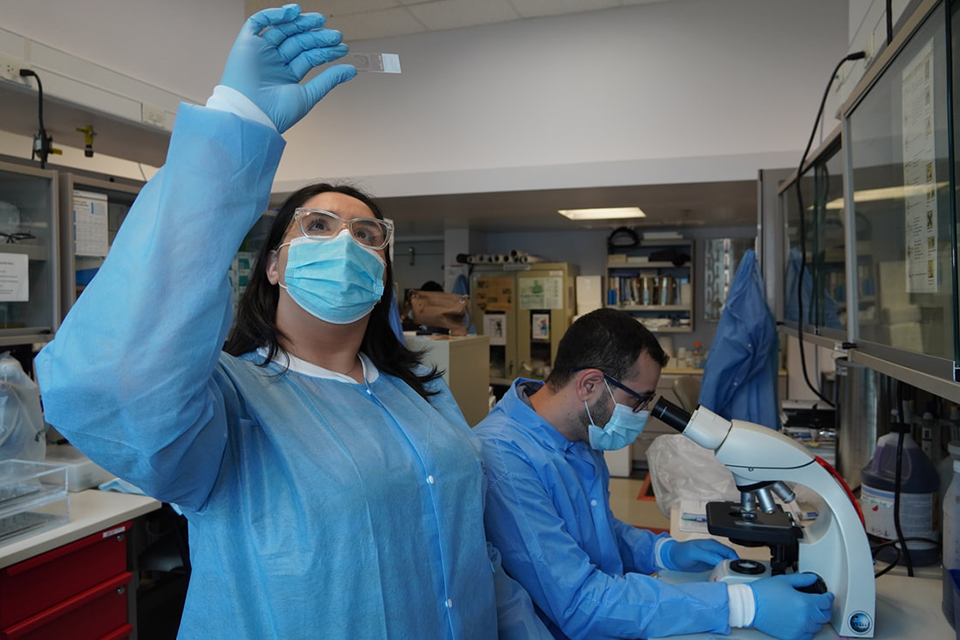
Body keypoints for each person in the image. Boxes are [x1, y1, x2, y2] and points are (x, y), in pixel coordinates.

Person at [35, 5, 548, 639]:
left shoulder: (421, 389)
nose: (345, 244)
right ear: (274, 266)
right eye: (318, 227)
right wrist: (237, 121)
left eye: (366, 235)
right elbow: (108, 385)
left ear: (383, 271)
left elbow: (474, 556)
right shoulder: (226, 405)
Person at [474, 308, 835, 640]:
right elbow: (581, 605)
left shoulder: (577, 430)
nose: (642, 413)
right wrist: (741, 604)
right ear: (589, 385)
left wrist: (663, 552)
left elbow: (594, 530)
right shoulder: (506, 459)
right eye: (639, 399)